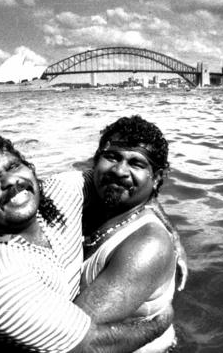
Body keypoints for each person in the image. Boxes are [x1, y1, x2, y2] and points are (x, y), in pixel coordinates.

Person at [0, 132, 172, 352]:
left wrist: (163, 227)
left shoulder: (61, 194)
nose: (11, 180)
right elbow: (90, 346)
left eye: (13, 166)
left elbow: (124, 183)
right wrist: (160, 323)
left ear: (30, 169)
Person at [76, 115, 183, 352]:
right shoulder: (92, 208)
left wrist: (157, 325)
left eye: (137, 163)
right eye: (112, 156)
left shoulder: (148, 245)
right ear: (95, 162)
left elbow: (69, 340)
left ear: (156, 178)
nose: (119, 170)